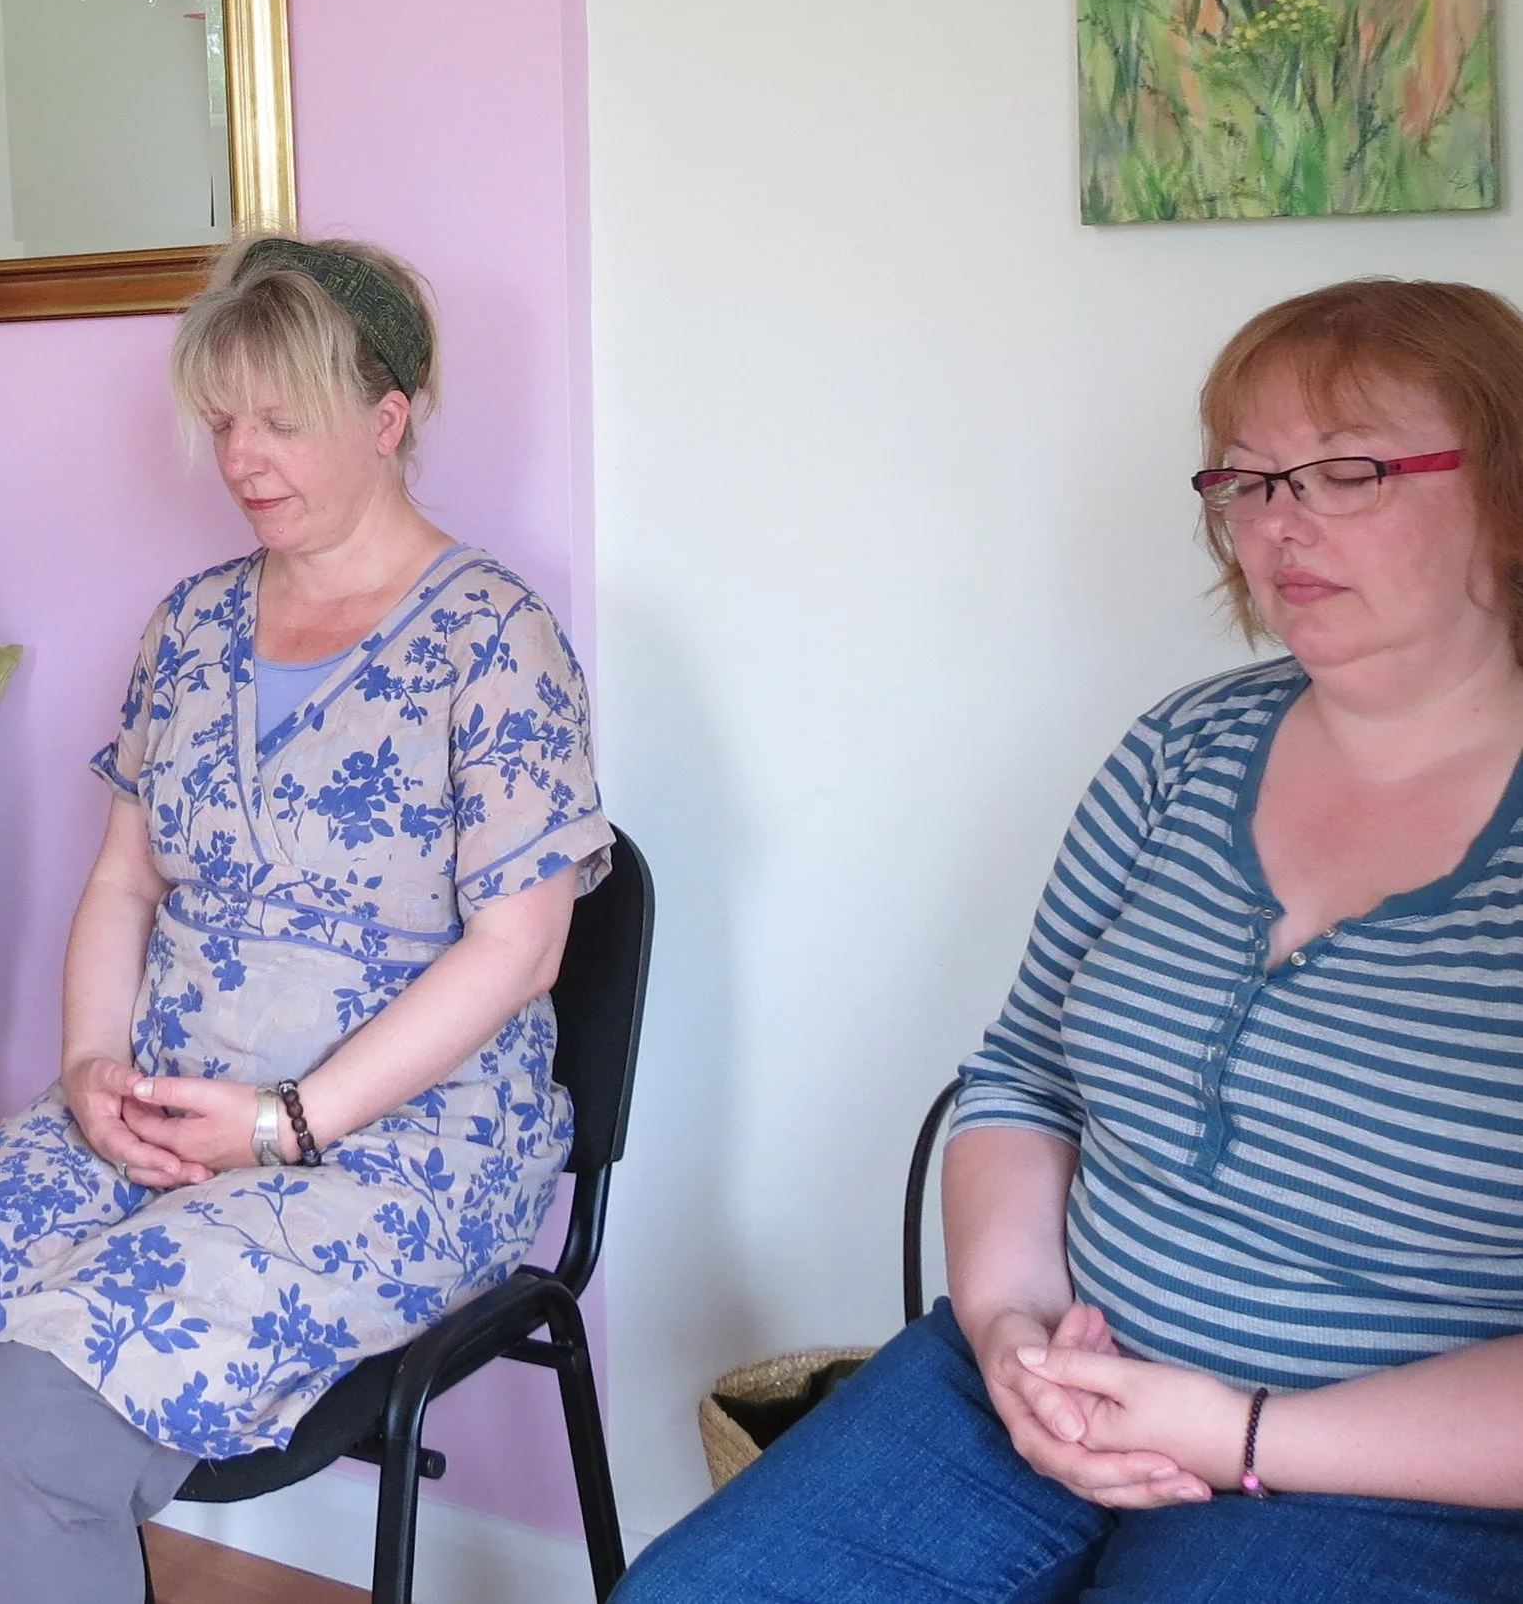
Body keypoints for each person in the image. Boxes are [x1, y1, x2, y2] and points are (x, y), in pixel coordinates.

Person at [619, 277, 1523, 1603]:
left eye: (1351, 471)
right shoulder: (1184, 749)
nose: (1282, 525)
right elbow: (1023, 1076)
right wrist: (1006, 1335)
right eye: (1252, 482)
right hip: (1045, 1383)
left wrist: (1245, 1433)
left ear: (1502, 491)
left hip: (1387, 1470)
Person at [0, 233, 611, 1604]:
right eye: (224, 417)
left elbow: (521, 946)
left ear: (388, 416)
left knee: (32, 1433)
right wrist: (85, 1072)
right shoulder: (188, 629)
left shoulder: (496, 639)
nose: (241, 454)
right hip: (159, 1114)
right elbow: (124, 881)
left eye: (282, 420)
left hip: (390, 1154)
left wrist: (285, 1123)